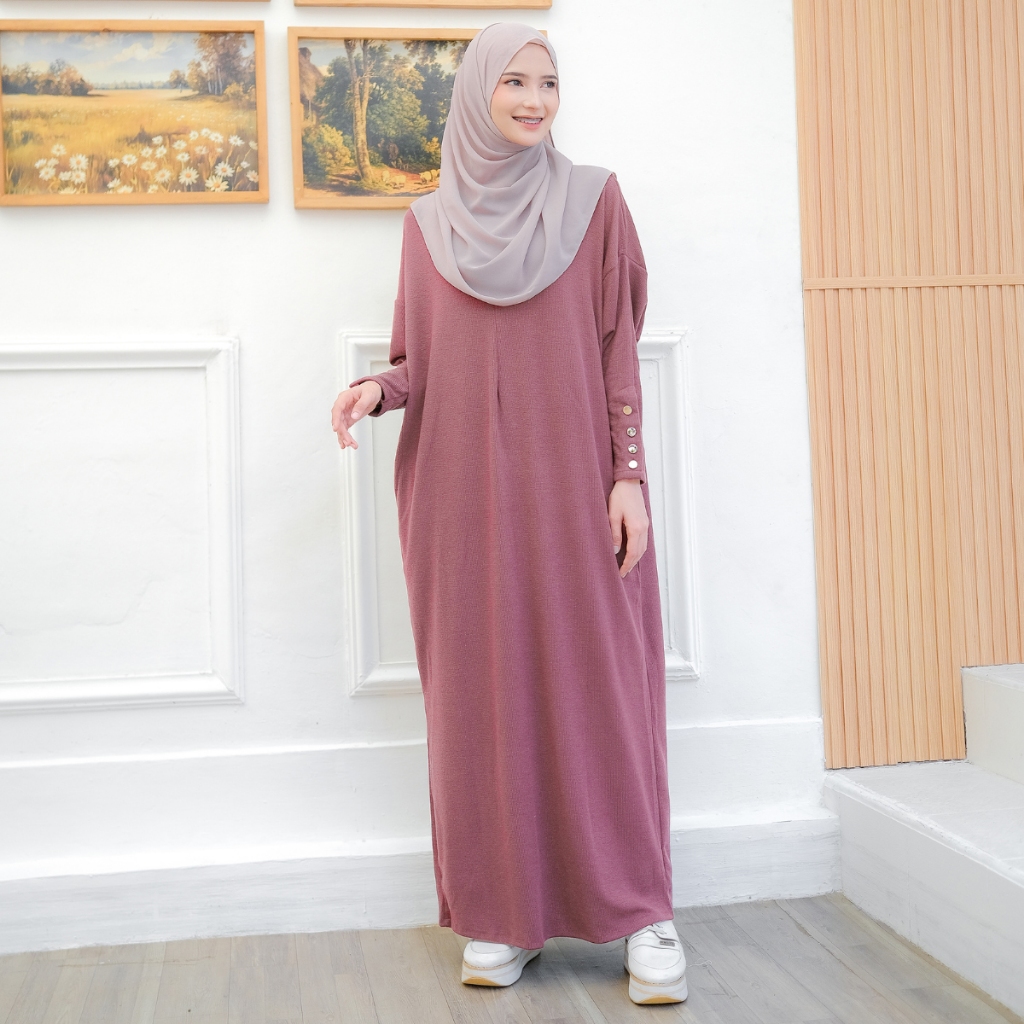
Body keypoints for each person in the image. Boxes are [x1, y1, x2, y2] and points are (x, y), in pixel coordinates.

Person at [331, 22, 687, 1006]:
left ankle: (643, 912)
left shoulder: (594, 202)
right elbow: (421, 359)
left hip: (576, 486)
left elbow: (617, 348)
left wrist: (627, 477)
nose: (535, 100)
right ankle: (503, 911)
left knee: (600, 692)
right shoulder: (426, 224)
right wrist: (376, 390)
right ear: (477, 94)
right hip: (461, 495)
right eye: (515, 82)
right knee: (484, 701)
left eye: (549, 83)